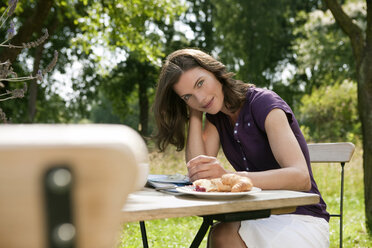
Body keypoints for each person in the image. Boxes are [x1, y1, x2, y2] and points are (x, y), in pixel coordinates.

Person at [153, 48, 329, 248]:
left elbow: (301, 178)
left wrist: (231, 177)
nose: (200, 98)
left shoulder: (264, 104)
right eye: (187, 96)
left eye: (200, 83)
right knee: (220, 232)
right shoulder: (215, 116)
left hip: (301, 217)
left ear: (214, 71)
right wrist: (194, 113)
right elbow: (198, 172)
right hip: (257, 214)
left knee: (222, 236)